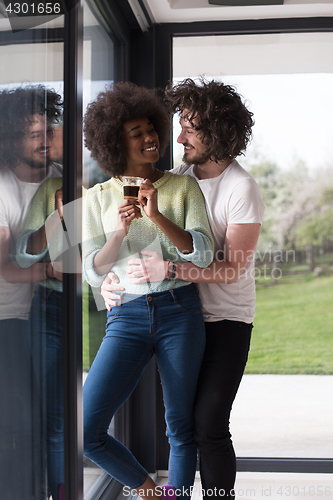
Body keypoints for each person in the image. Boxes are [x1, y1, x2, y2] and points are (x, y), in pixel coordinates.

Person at [101, 78, 265, 499]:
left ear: (218, 131)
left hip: (227, 318)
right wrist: (110, 280)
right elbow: (138, 239)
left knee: (209, 422)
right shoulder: (178, 178)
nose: (179, 138)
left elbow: (232, 269)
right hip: (184, 314)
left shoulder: (241, 189)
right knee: (185, 424)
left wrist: (171, 267)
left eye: (190, 129)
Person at [82, 82, 214, 500]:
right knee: (86, 430)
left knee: (180, 426)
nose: (150, 137)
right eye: (135, 133)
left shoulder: (181, 187)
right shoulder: (98, 198)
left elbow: (205, 253)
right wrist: (119, 233)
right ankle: (151, 493)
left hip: (180, 311)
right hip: (127, 318)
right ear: (116, 143)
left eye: (150, 128)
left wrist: (156, 216)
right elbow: (91, 270)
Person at [0, 85, 62, 500]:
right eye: (30, 132)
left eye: (46, 129)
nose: (42, 139)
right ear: (9, 138)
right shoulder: (2, 188)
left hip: (45, 316)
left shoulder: (62, 182)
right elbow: (2, 268)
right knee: (18, 424)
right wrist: (51, 270)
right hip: (5, 318)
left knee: (50, 421)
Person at [16, 177, 64, 500]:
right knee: (55, 419)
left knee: (87, 421)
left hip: (103, 308)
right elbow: (22, 254)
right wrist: (56, 218)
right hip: (52, 307)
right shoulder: (53, 189)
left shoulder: (109, 186)